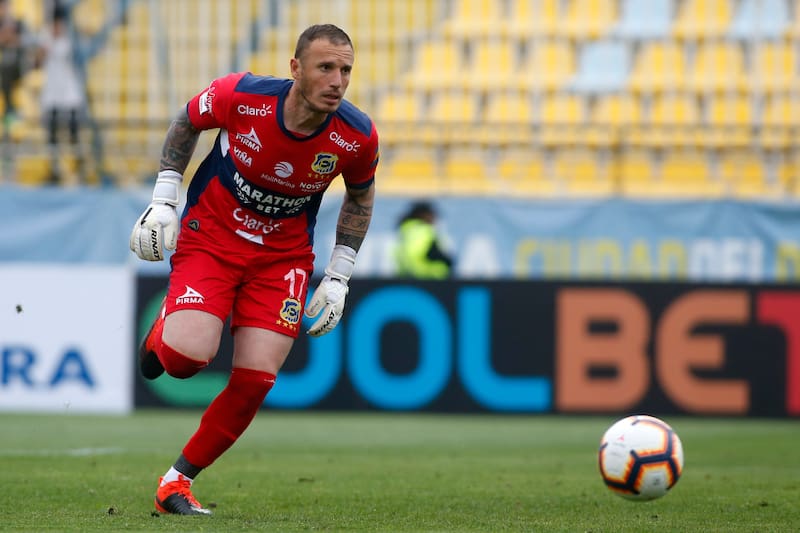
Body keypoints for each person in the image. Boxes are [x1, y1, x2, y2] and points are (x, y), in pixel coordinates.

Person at [129, 24, 379, 516]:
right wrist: (163, 200)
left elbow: (361, 194)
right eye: (325, 67)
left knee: (257, 379)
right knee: (184, 361)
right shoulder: (243, 96)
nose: (337, 80)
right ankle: (165, 332)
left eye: (345, 70)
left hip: (282, 259)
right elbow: (186, 122)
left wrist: (339, 274)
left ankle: (175, 484)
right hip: (213, 239)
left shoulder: (356, 134)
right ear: (295, 69)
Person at [35, 3, 87, 183]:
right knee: (52, 135)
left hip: (71, 93)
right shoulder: (46, 36)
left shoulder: (72, 37)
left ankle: (79, 169)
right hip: (52, 94)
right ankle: (54, 170)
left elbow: (80, 56)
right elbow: (37, 62)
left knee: (74, 134)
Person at [394, 200, 454, 279]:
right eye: (432, 214)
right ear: (424, 215)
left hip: (407, 278)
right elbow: (425, 253)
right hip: (429, 278)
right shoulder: (424, 230)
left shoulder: (406, 231)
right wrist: (446, 260)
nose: (434, 218)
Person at [0, 0, 27, 128]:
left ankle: (10, 110)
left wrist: (12, 39)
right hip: (4, 66)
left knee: (7, 69)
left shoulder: (19, 23)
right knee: (5, 69)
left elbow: (27, 41)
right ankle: (10, 111)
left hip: (18, 66)